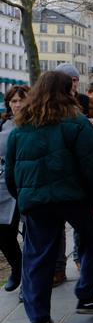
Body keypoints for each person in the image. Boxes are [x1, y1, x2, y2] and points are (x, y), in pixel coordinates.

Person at [6, 71, 93, 323]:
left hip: (37, 201)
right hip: (73, 197)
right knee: (92, 239)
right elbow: (91, 164)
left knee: (37, 255)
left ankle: (38, 317)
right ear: (67, 91)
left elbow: (11, 172)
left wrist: (23, 197)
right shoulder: (76, 122)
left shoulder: (21, 128)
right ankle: (85, 294)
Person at [52, 64, 93, 286]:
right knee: (57, 227)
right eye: (67, 80)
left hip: (84, 172)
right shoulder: (47, 107)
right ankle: (59, 269)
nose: (72, 84)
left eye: (74, 80)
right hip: (59, 175)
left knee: (86, 225)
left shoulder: (91, 103)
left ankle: (80, 259)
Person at [0, 86, 28, 292]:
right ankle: (17, 267)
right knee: (3, 233)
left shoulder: (37, 123)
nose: (17, 105)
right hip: (4, 185)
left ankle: (29, 280)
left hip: (28, 184)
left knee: (31, 234)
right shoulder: (3, 124)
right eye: (13, 101)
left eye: (21, 100)